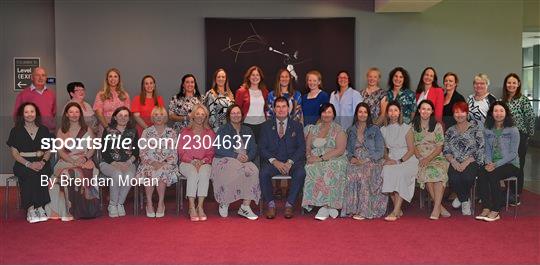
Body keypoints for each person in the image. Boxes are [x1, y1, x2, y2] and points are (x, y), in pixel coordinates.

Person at [49, 102, 101, 221]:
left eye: (77, 112)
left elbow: (92, 147)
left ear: (80, 114)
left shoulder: (87, 129)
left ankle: (85, 210)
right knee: (68, 174)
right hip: (66, 161)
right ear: (66, 114)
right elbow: (60, 151)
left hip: (84, 160)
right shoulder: (62, 131)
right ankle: (68, 210)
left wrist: (85, 158)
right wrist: (72, 161)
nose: (74, 114)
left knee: (81, 172)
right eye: (71, 112)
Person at [259, 97, 306, 219]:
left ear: (289, 109)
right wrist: (274, 161)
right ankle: (270, 204)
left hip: (292, 162)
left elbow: (301, 148)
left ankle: (289, 204)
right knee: (263, 172)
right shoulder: (266, 126)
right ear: (274, 109)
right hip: (273, 162)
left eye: (284, 106)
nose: (281, 109)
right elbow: (262, 148)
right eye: (278, 107)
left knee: (301, 172)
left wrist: (290, 162)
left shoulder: (297, 126)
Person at [212, 104, 260, 220]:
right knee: (234, 168)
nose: (236, 115)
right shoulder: (223, 129)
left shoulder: (247, 129)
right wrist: (235, 155)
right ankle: (224, 201)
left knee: (253, 170)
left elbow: (254, 148)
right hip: (225, 158)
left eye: (238, 113)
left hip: (244, 159)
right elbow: (218, 148)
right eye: (233, 113)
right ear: (229, 115)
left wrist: (248, 157)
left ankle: (245, 206)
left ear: (242, 115)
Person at [7, 102, 52, 223]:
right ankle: (31, 208)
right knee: (30, 174)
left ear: (36, 113)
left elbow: (48, 151)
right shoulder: (15, 131)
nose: (29, 114)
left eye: (32, 111)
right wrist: (28, 164)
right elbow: (15, 153)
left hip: (42, 162)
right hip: (23, 163)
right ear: (22, 114)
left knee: (41, 173)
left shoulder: (44, 130)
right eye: (26, 112)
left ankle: (40, 207)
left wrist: (42, 162)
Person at [476, 101, 520, 222]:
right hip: (493, 164)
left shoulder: (513, 130)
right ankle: (486, 207)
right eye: (496, 111)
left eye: (501, 111)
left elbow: (513, 154)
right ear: (491, 113)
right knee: (482, 172)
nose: (498, 113)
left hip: (510, 164)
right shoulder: (488, 130)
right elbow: (488, 150)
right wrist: (489, 163)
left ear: (506, 113)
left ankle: (495, 210)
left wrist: (495, 165)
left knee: (494, 173)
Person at [302, 103, 348, 221]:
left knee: (330, 168)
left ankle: (327, 205)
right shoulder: (313, 128)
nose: (326, 114)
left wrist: (320, 158)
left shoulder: (339, 129)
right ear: (320, 114)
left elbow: (340, 150)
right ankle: (321, 205)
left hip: (335, 158)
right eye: (324, 112)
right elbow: (307, 147)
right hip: (315, 158)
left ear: (333, 114)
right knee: (311, 168)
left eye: (329, 112)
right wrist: (308, 156)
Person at [342, 102, 386, 220]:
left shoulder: (375, 129)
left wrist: (367, 159)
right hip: (356, 160)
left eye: (365, 112)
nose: (362, 114)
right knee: (349, 172)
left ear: (368, 114)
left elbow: (380, 151)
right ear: (356, 114)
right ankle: (352, 208)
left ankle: (364, 211)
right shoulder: (350, 130)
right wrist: (352, 158)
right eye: (360, 112)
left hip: (372, 160)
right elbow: (349, 150)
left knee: (363, 174)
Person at [135, 106, 179, 218]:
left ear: (165, 117)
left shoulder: (172, 132)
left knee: (162, 171)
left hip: (167, 164)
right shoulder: (146, 132)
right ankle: (149, 202)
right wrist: (152, 162)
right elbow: (142, 152)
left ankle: (161, 202)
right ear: (152, 118)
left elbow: (174, 152)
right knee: (149, 171)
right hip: (148, 163)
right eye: (156, 115)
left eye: (162, 115)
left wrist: (163, 162)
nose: (159, 117)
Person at [443, 101, 484, 215]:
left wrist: (467, 162)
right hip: (454, 160)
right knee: (453, 178)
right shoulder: (450, 130)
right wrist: (453, 161)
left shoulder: (475, 128)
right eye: (456, 112)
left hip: (472, 160)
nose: (459, 114)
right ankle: (465, 199)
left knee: (467, 177)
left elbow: (480, 148)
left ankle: (461, 198)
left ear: (467, 113)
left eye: (462, 112)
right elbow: (446, 149)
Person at [380, 101, 418, 221]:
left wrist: (398, 161)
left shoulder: (406, 128)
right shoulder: (383, 129)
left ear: (399, 112)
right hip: (392, 157)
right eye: (390, 110)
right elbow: (384, 150)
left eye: (395, 110)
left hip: (407, 158)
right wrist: (387, 159)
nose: (393, 113)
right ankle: (398, 208)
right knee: (386, 172)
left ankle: (395, 211)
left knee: (399, 174)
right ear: (387, 113)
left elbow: (412, 150)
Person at [412, 100, 450, 220]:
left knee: (438, 172)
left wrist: (428, 158)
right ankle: (440, 207)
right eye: (423, 109)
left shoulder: (437, 126)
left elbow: (440, 147)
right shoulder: (413, 126)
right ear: (419, 110)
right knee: (427, 172)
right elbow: (412, 145)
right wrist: (420, 158)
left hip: (436, 156)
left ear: (432, 111)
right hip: (420, 157)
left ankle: (436, 207)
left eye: (428, 109)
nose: (425, 111)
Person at [177, 104, 215, 222]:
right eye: (197, 114)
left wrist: (203, 161)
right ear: (193, 116)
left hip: (204, 163)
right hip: (187, 163)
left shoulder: (210, 133)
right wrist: (192, 161)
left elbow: (211, 151)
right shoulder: (185, 132)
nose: (200, 116)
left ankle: (200, 206)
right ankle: (191, 206)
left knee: (204, 173)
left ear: (205, 117)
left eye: (202, 114)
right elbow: (181, 151)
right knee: (193, 173)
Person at [502, 73, 535, 206]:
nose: (511, 85)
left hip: (520, 136)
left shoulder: (523, 100)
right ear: (506, 84)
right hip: (505, 137)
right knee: (505, 163)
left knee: (518, 164)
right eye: (509, 83)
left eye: (514, 83)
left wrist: (528, 134)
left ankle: (516, 194)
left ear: (518, 84)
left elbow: (530, 117)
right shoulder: (502, 100)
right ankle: (509, 190)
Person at [100, 106, 139, 218]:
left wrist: (128, 162)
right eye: (120, 115)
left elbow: (136, 151)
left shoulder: (133, 131)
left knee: (129, 175)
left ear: (129, 118)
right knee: (117, 173)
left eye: (126, 115)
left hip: (128, 163)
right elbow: (104, 150)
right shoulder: (108, 131)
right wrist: (114, 163)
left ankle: (120, 203)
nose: (123, 118)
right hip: (108, 163)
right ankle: (112, 204)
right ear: (115, 117)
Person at [13, 67, 56, 133]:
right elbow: (16, 115)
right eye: (37, 75)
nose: (40, 78)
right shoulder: (23, 94)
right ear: (32, 78)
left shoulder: (51, 94)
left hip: (48, 132)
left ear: (46, 78)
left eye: (43, 75)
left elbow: (53, 113)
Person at [235, 66, 269, 142]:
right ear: (249, 77)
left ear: (260, 77)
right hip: (246, 125)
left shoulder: (264, 91)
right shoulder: (241, 91)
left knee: (260, 150)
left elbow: (266, 108)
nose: (255, 77)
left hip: (262, 125)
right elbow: (236, 111)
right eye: (253, 75)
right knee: (248, 150)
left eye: (257, 75)